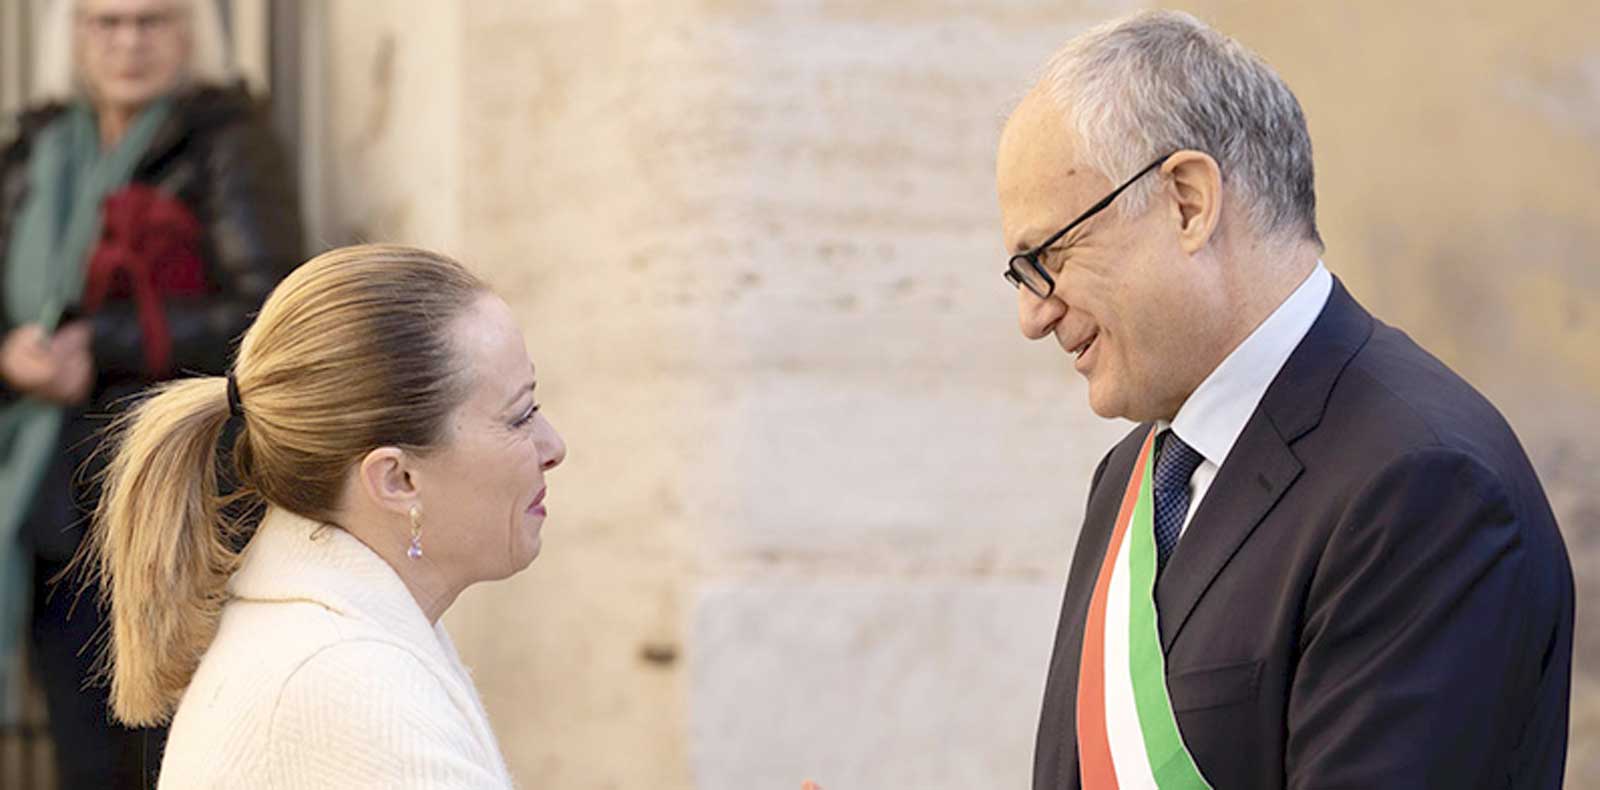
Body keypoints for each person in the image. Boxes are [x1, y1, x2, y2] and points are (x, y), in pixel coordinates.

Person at [996, 11, 1573, 790]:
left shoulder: (1423, 485)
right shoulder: (1134, 476)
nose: (1034, 315)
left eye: (1049, 257)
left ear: (1189, 203)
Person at [85, 244, 566, 787]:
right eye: (520, 415)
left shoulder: (337, 639)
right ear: (397, 479)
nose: (554, 446)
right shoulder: (349, 684)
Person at [0, 0, 301, 785]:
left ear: (189, 30)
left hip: (171, 503)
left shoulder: (225, 138)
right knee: (85, 754)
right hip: (50, 509)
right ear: (76, 34)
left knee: (179, 752)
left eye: (151, 20)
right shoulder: (36, 148)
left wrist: (100, 345)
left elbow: (268, 312)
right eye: (107, 22)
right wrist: (14, 356)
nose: (128, 41)